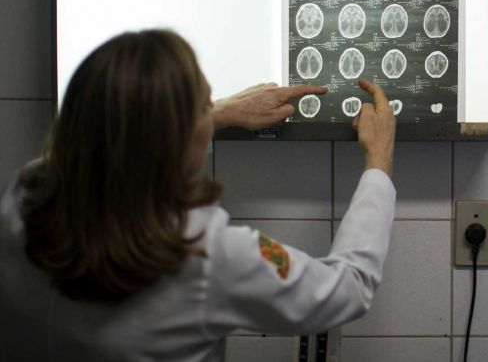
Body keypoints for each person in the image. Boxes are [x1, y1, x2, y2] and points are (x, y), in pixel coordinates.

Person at [0, 29, 396, 361]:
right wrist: (378, 162)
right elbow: (348, 288)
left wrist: (222, 110)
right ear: (181, 136)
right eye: (204, 108)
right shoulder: (204, 254)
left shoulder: (24, 200)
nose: (210, 116)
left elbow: (112, 133)